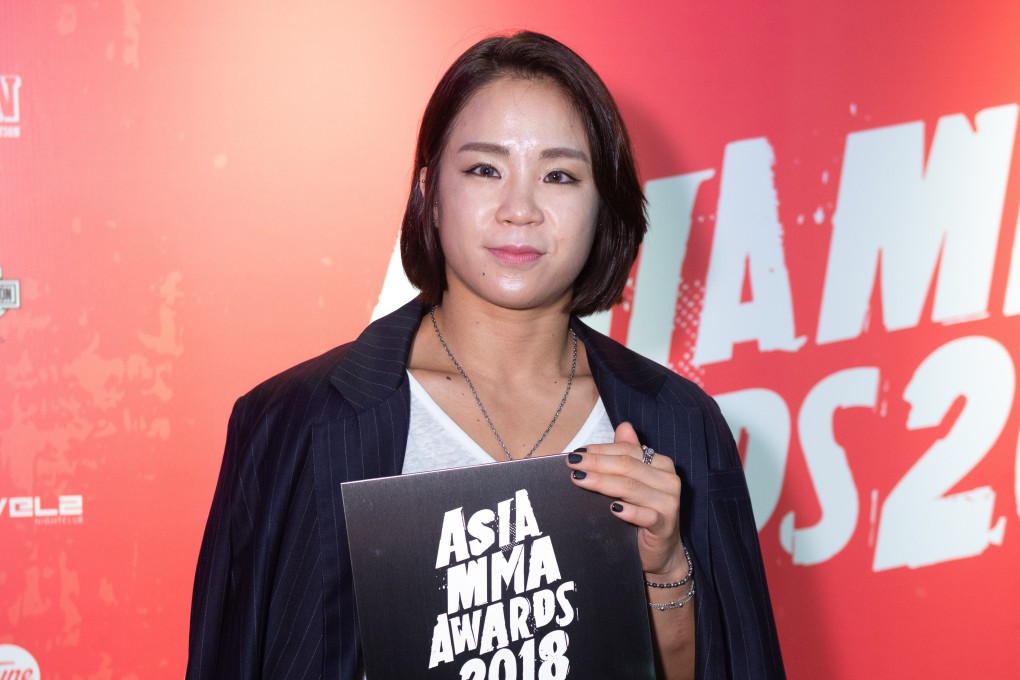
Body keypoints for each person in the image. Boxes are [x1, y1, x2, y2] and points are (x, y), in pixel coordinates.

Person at [186, 31, 784, 680]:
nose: (519, 209)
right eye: (484, 169)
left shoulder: (681, 425)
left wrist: (667, 570)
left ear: (602, 205)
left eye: (559, 175)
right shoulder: (293, 423)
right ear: (429, 192)